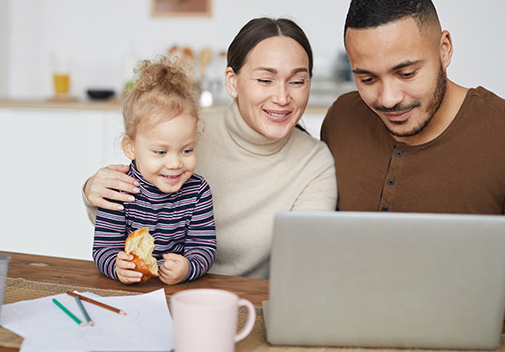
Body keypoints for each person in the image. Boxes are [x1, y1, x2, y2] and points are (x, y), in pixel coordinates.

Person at [321, 0, 505, 323]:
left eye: (406, 73)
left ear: (445, 49)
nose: (388, 98)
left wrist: (476, 293)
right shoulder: (342, 118)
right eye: (367, 79)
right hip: (346, 324)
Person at [84, 18, 338, 278]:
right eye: (265, 80)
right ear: (232, 81)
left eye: (297, 81)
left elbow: (304, 264)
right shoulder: (185, 133)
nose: (282, 98)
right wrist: (92, 188)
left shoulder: (314, 164)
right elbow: (128, 214)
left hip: (243, 300)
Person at [92, 57, 216, 285]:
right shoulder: (119, 189)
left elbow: (204, 248)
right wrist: (116, 266)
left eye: (186, 150)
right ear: (131, 147)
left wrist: (188, 267)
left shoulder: (198, 192)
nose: (175, 163)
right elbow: (103, 249)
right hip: (129, 292)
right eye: (161, 152)